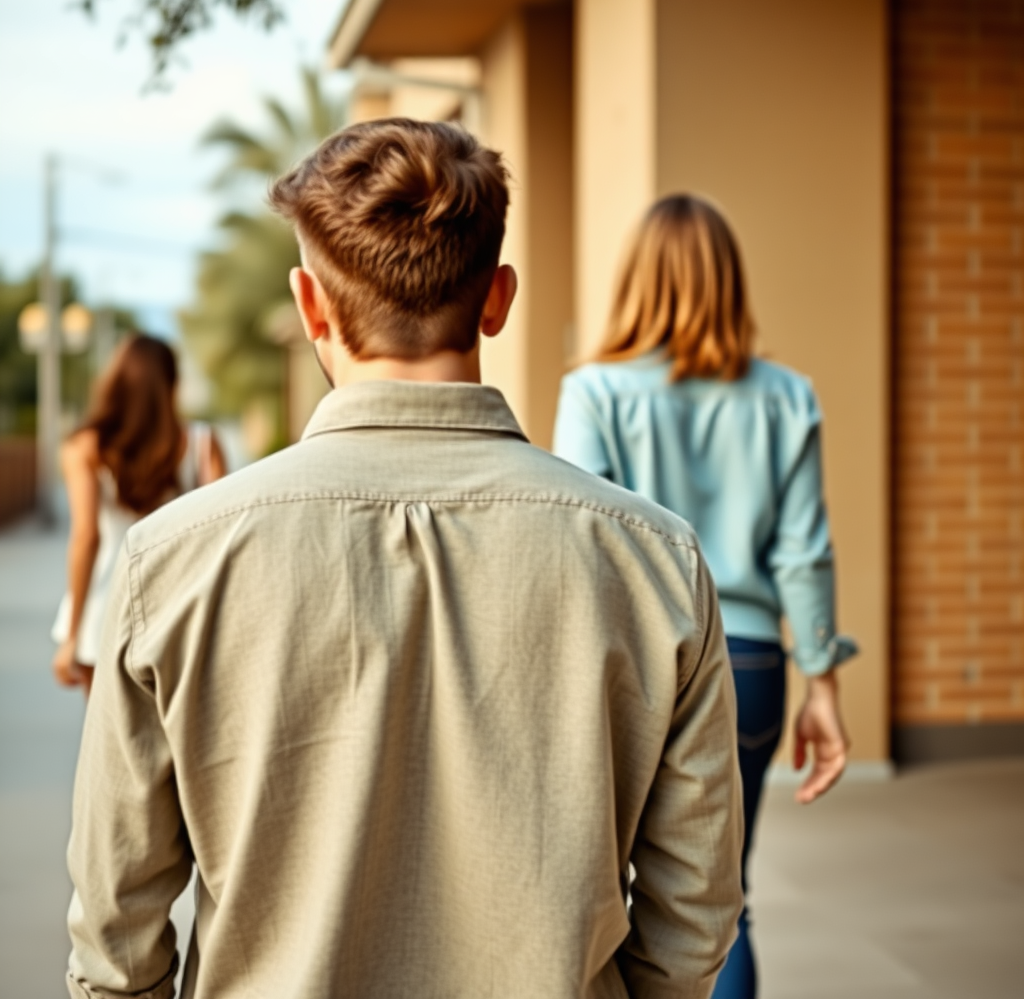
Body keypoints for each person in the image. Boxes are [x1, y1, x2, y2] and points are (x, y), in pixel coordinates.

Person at [65, 120, 743, 999]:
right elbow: (695, 911)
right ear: (497, 299)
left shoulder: (172, 562)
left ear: (311, 308)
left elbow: (118, 931)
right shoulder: (655, 562)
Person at [553, 194, 858, 999]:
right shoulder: (787, 396)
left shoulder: (594, 394)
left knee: (605, 898)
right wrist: (823, 684)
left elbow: (585, 541)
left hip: (634, 663)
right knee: (723, 904)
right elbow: (805, 551)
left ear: (635, 282)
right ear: (730, 282)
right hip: (751, 665)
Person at [51, 334, 225, 698]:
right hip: (178, 607)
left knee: (108, 746)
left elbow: (87, 536)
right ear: (171, 384)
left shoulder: (84, 446)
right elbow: (223, 533)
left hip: (103, 609)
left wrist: (72, 635)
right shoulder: (201, 443)